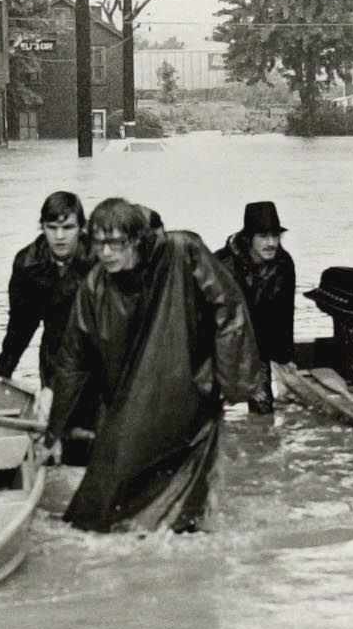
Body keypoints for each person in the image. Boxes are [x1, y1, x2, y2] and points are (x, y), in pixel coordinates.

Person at [41, 198, 262, 532]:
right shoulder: (94, 288)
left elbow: (228, 309)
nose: (106, 253)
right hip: (133, 406)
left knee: (185, 507)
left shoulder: (182, 252)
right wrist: (55, 430)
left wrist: (234, 383)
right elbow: (73, 361)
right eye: (99, 243)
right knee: (102, 509)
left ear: (136, 240)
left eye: (115, 243)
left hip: (189, 399)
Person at [0, 190, 95, 389]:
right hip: (55, 354)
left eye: (68, 227)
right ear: (42, 227)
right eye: (52, 228)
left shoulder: (99, 258)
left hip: (98, 353)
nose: (60, 236)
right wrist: (3, 369)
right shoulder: (28, 264)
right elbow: (21, 324)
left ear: (82, 228)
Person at [215, 200, 296, 414]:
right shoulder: (222, 265)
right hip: (219, 346)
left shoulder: (284, 264)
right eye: (263, 236)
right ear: (249, 238)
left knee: (263, 412)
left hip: (257, 345)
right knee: (209, 411)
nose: (271, 243)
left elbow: (285, 313)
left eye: (275, 236)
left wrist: (285, 357)